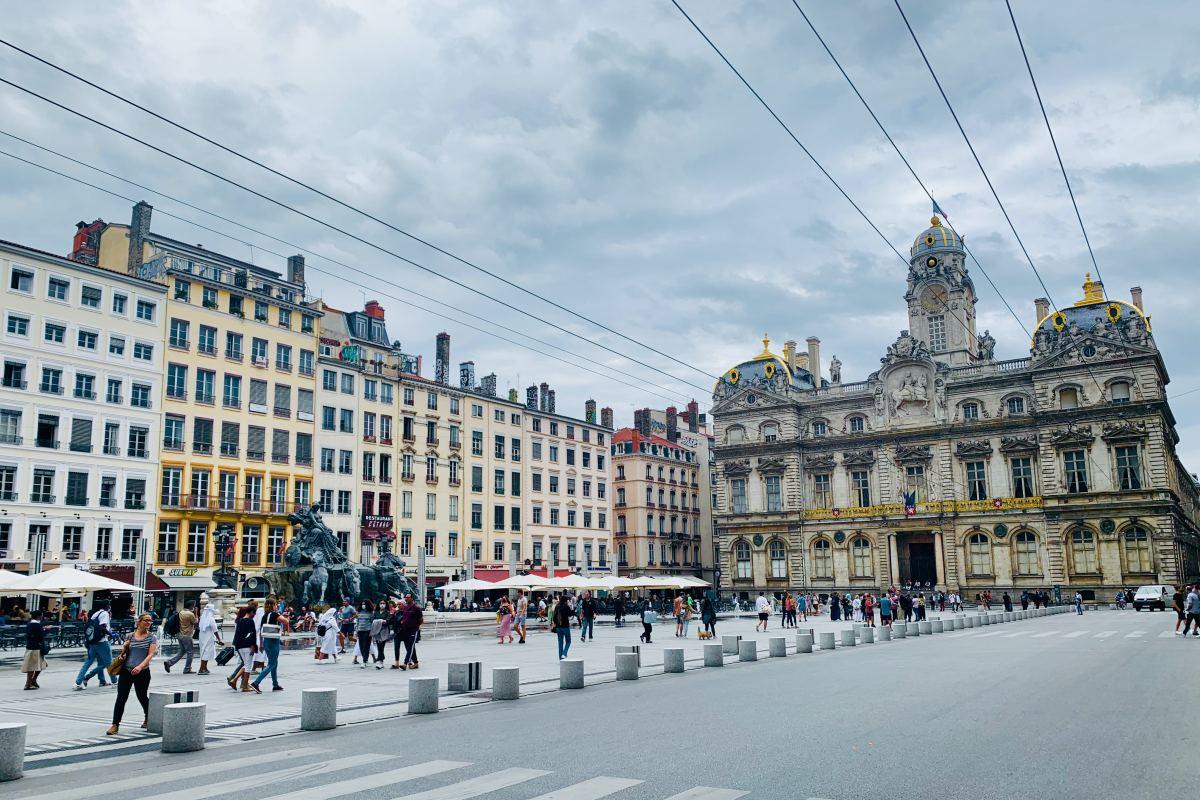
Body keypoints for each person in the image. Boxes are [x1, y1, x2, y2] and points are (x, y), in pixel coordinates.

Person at [107, 612, 157, 734]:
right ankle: (115, 724)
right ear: (139, 622)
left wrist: (140, 667)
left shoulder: (152, 637)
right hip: (126, 671)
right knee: (121, 698)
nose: (148, 623)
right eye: (146, 620)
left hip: (142, 672)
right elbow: (125, 653)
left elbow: (150, 654)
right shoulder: (130, 636)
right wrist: (124, 649)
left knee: (142, 696)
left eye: (150, 621)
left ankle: (148, 716)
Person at [76, 601, 113, 689]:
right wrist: (110, 634)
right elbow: (102, 627)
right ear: (106, 605)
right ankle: (114, 681)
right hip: (102, 641)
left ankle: (79, 682)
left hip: (93, 641)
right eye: (109, 604)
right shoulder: (105, 613)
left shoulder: (95, 614)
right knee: (109, 662)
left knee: (90, 662)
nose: (110, 606)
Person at [251, 598, 284, 692]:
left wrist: (261, 644)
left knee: (274, 663)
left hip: (266, 641)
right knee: (272, 664)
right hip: (274, 641)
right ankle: (256, 683)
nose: (276, 606)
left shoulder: (264, 616)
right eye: (276, 604)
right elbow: (286, 621)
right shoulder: (275, 614)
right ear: (273, 605)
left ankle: (275, 684)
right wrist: (282, 616)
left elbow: (261, 631)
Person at [228, 606, 258, 692]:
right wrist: (253, 645)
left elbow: (237, 635)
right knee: (248, 666)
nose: (254, 615)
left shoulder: (240, 621)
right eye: (254, 613)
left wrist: (237, 646)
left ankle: (234, 680)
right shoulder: (250, 621)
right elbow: (252, 634)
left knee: (245, 664)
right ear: (251, 612)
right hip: (247, 646)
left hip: (240, 646)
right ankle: (244, 686)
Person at [163, 601, 197, 674]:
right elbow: (196, 622)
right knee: (190, 652)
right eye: (194, 605)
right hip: (186, 635)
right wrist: (196, 613)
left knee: (182, 651)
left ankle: (169, 663)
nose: (194, 607)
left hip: (179, 634)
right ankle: (187, 669)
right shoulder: (190, 614)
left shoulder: (181, 612)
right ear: (191, 606)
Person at [22, 609, 48, 690]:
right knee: (34, 667)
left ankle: (32, 681)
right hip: (36, 648)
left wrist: (43, 629)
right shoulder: (37, 625)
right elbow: (41, 636)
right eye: (41, 615)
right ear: (39, 616)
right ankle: (28, 683)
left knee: (38, 665)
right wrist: (46, 630)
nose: (42, 616)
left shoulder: (29, 624)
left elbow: (31, 634)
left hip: (29, 646)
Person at [197, 599, 223, 674]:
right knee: (207, 653)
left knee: (203, 652)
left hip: (202, 638)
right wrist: (219, 639)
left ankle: (204, 668)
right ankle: (202, 669)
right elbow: (215, 630)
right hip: (209, 638)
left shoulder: (202, 617)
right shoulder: (211, 619)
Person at [398, 592, 423, 669]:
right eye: (405, 597)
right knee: (410, 647)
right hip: (405, 629)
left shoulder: (416, 607)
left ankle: (405, 663)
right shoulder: (405, 607)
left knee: (411, 646)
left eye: (408, 597)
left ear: (412, 598)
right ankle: (415, 663)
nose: (406, 598)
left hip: (413, 630)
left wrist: (416, 626)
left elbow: (421, 619)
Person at [354, 600, 375, 666]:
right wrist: (356, 631)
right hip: (360, 631)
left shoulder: (371, 612)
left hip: (368, 631)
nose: (363, 605)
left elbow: (372, 622)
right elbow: (357, 622)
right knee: (361, 646)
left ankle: (364, 660)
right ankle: (365, 659)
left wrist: (372, 632)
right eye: (362, 604)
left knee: (366, 646)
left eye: (365, 604)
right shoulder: (359, 612)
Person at [371, 601, 391, 667]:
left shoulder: (387, 612)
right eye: (381, 603)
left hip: (384, 631)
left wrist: (381, 621)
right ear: (378, 604)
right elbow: (372, 620)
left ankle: (380, 660)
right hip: (377, 631)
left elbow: (388, 621)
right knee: (378, 646)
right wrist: (381, 621)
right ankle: (381, 660)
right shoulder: (376, 612)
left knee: (381, 646)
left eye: (383, 603)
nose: (382, 605)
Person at [552, 594, 572, 659]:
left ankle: (560, 657)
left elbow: (554, 617)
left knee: (560, 642)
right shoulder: (566, 606)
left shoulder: (557, 606)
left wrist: (555, 624)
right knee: (568, 641)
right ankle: (564, 653)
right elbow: (570, 614)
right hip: (565, 626)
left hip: (558, 627)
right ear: (565, 601)